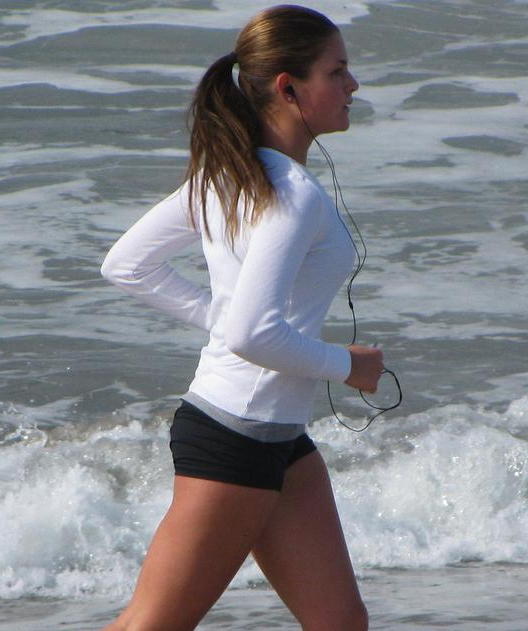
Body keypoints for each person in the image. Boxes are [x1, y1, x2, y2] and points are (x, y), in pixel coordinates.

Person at [100, 5, 383, 630]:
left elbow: (127, 266)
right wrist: (347, 366)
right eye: (337, 72)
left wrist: (222, 319)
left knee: (341, 623)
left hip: (280, 438)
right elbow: (252, 332)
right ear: (289, 87)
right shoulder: (290, 194)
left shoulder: (227, 174)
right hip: (236, 437)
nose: (352, 86)